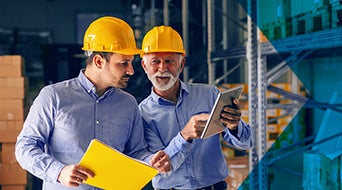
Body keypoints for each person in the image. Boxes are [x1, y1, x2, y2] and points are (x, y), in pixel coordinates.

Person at [15, 16, 170, 190]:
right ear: (98, 61)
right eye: (124, 63)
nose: (131, 71)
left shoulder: (128, 104)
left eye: (131, 63)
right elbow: (25, 147)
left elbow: (135, 152)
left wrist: (151, 160)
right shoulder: (53, 97)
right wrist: (59, 172)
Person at [138, 25, 253, 190]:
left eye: (169, 61)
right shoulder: (142, 114)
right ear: (144, 66)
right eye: (155, 61)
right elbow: (162, 168)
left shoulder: (209, 94)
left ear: (181, 64)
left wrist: (234, 126)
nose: (162, 68)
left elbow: (246, 143)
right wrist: (185, 136)